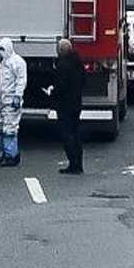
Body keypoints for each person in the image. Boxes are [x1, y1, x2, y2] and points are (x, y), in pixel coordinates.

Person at [51, 38, 84, 175]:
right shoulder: (77, 63)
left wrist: (52, 92)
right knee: (75, 133)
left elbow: (61, 86)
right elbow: (83, 80)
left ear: (61, 51)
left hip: (65, 105)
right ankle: (78, 163)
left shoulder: (63, 66)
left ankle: (73, 164)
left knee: (67, 134)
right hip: (76, 103)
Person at [0, 38, 28, 167]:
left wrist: (18, 96)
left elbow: (21, 80)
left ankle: (12, 155)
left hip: (11, 100)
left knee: (10, 128)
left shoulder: (18, 62)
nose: (1, 52)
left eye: (3, 49)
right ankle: (3, 153)